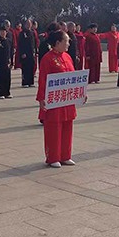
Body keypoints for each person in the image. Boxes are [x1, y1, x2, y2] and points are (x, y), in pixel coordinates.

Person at [36, 31, 81, 167]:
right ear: (57, 43)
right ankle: (53, 157)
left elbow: (74, 78)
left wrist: (80, 93)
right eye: (66, 41)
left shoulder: (67, 57)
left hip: (67, 100)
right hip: (54, 100)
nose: (68, 43)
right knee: (54, 127)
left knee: (67, 126)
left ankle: (65, 155)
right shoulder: (47, 58)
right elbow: (43, 79)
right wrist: (41, 98)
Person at [0, 25, 14, 99]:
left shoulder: (9, 41)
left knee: (7, 78)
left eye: (4, 31)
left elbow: (11, 52)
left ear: (6, 32)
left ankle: (7, 92)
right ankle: (0, 93)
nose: (2, 33)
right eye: (1, 31)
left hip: (7, 63)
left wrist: (12, 62)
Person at [18, 20, 37, 87]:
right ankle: (25, 82)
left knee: (31, 67)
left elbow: (34, 43)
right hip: (25, 53)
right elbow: (20, 44)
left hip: (31, 53)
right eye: (27, 24)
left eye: (30, 24)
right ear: (25, 24)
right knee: (25, 68)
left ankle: (31, 82)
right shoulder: (22, 33)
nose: (29, 25)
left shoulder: (32, 32)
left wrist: (35, 51)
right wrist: (22, 53)